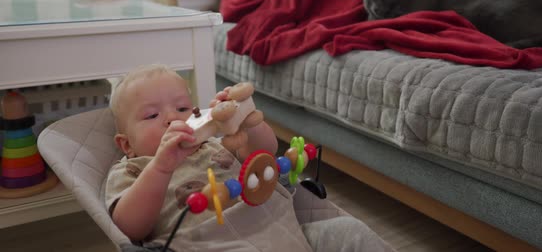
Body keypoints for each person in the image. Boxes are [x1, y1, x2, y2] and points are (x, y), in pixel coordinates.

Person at [105, 64, 395, 251]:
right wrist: (161, 166)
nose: (172, 119)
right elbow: (131, 226)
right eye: (153, 115)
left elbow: (264, 153)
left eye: (183, 109)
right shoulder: (133, 168)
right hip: (208, 244)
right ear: (126, 144)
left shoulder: (214, 145)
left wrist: (246, 121)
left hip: (280, 226)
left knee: (349, 231)